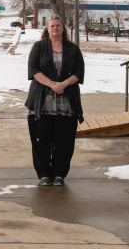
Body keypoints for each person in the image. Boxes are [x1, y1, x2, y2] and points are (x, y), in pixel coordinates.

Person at [25, 15, 84, 186]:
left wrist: (63, 84)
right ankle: (44, 174)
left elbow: (79, 72)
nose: (55, 28)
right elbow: (33, 70)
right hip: (41, 103)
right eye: (52, 26)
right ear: (47, 29)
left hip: (67, 104)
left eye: (58, 25)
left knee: (64, 141)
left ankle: (59, 174)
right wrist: (52, 84)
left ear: (63, 28)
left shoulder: (73, 49)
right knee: (41, 139)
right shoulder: (39, 47)